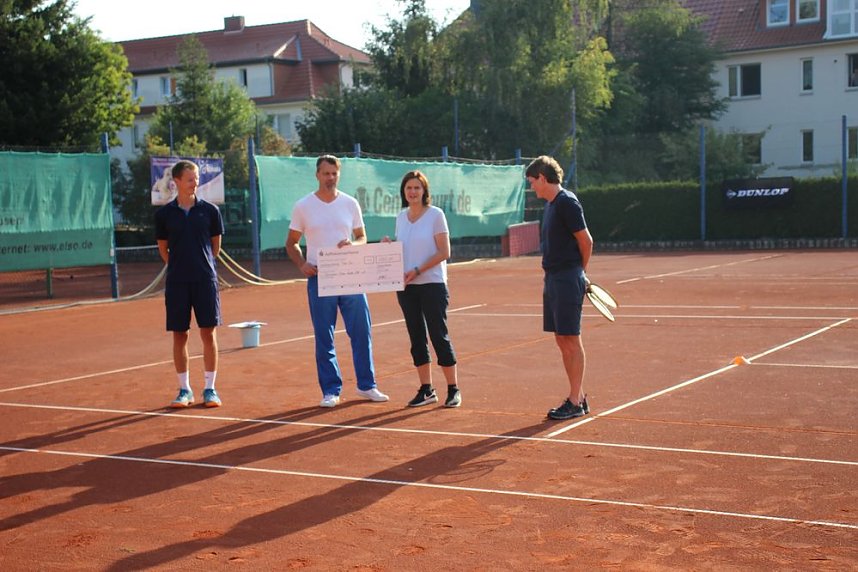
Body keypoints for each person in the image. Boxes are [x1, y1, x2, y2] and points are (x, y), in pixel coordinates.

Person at [286, 155, 389, 408]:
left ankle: (367, 386)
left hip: (352, 278)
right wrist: (302, 264)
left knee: (361, 333)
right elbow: (291, 243)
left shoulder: (350, 203)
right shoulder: (303, 206)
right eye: (325, 173)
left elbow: (362, 237)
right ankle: (331, 390)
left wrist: (354, 245)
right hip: (321, 279)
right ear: (317, 175)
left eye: (334, 173)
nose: (330, 178)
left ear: (338, 175)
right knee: (324, 336)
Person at [525, 155, 593, 421]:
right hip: (553, 278)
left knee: (571, 339)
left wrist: (580, 273)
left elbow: (586, 241)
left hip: (567, 278)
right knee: (561, 338)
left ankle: (575, 402)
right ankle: (579, 397)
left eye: (532, 182)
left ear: (542, 178)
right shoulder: (551, 205)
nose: (532, 188)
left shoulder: (567, 202)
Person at [155, 160, 225, 408]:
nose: (195, 182)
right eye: (190, 179)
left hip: (205, 280)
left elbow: (215, 247)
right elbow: (163, 249)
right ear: (176, 182)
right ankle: (184, 390)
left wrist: (200, 264)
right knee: (180, 334)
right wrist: (180, 265)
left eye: (196, 178)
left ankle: (210, 388)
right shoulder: (164, 214)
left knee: (208, 332)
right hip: (177, 282)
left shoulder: (210, 211)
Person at [389, 170, 461, 408]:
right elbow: (403, 248)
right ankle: (427, 389)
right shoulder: (400, 216)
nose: (412, 192)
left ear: (424, 191)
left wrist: (418, 270)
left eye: (417, 188)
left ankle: (453, 388)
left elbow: (444, 252)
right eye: (408, 188)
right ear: (404, 191)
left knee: (438, 335)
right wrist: (388, 248)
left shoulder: (436, 215)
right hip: (406, 287)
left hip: (432, 284)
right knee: (416, 338)